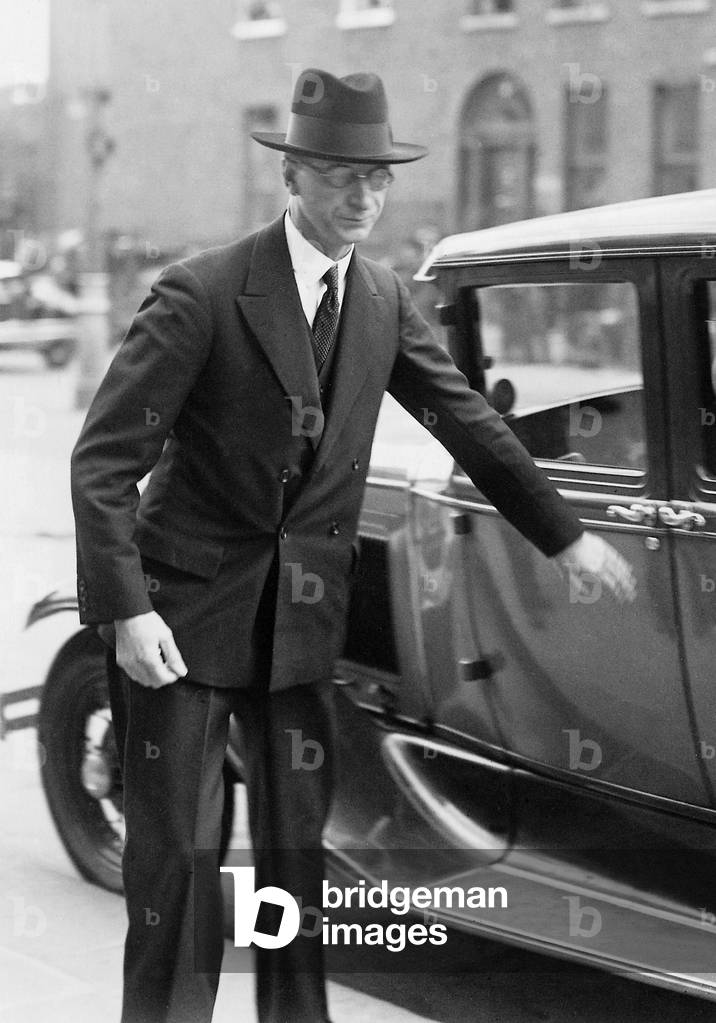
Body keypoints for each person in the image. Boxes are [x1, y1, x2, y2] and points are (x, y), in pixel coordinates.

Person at [70, 67, 635, 1023]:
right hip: (181, 627)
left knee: (296, 871)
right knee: (183, 869)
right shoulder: (202, 292)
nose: (361, 196)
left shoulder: (379, 298)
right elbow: (102, 463)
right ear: (292, 175)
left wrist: (566, 539)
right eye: (338, 175)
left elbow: (470, 422)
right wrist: (127, 610)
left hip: (299, 629)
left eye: (376, 179)